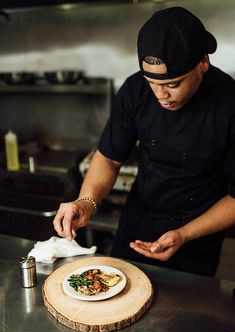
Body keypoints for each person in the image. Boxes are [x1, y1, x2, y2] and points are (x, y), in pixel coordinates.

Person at [53, 7, 235, 276]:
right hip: (138, 222)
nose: (161, 95)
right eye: (152, 82)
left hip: (196, 234)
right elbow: (109, 157)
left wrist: (184, 234)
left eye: (173, 84)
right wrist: (86, 202)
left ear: (203, 63)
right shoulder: (135, 90)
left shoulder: (229, 104)